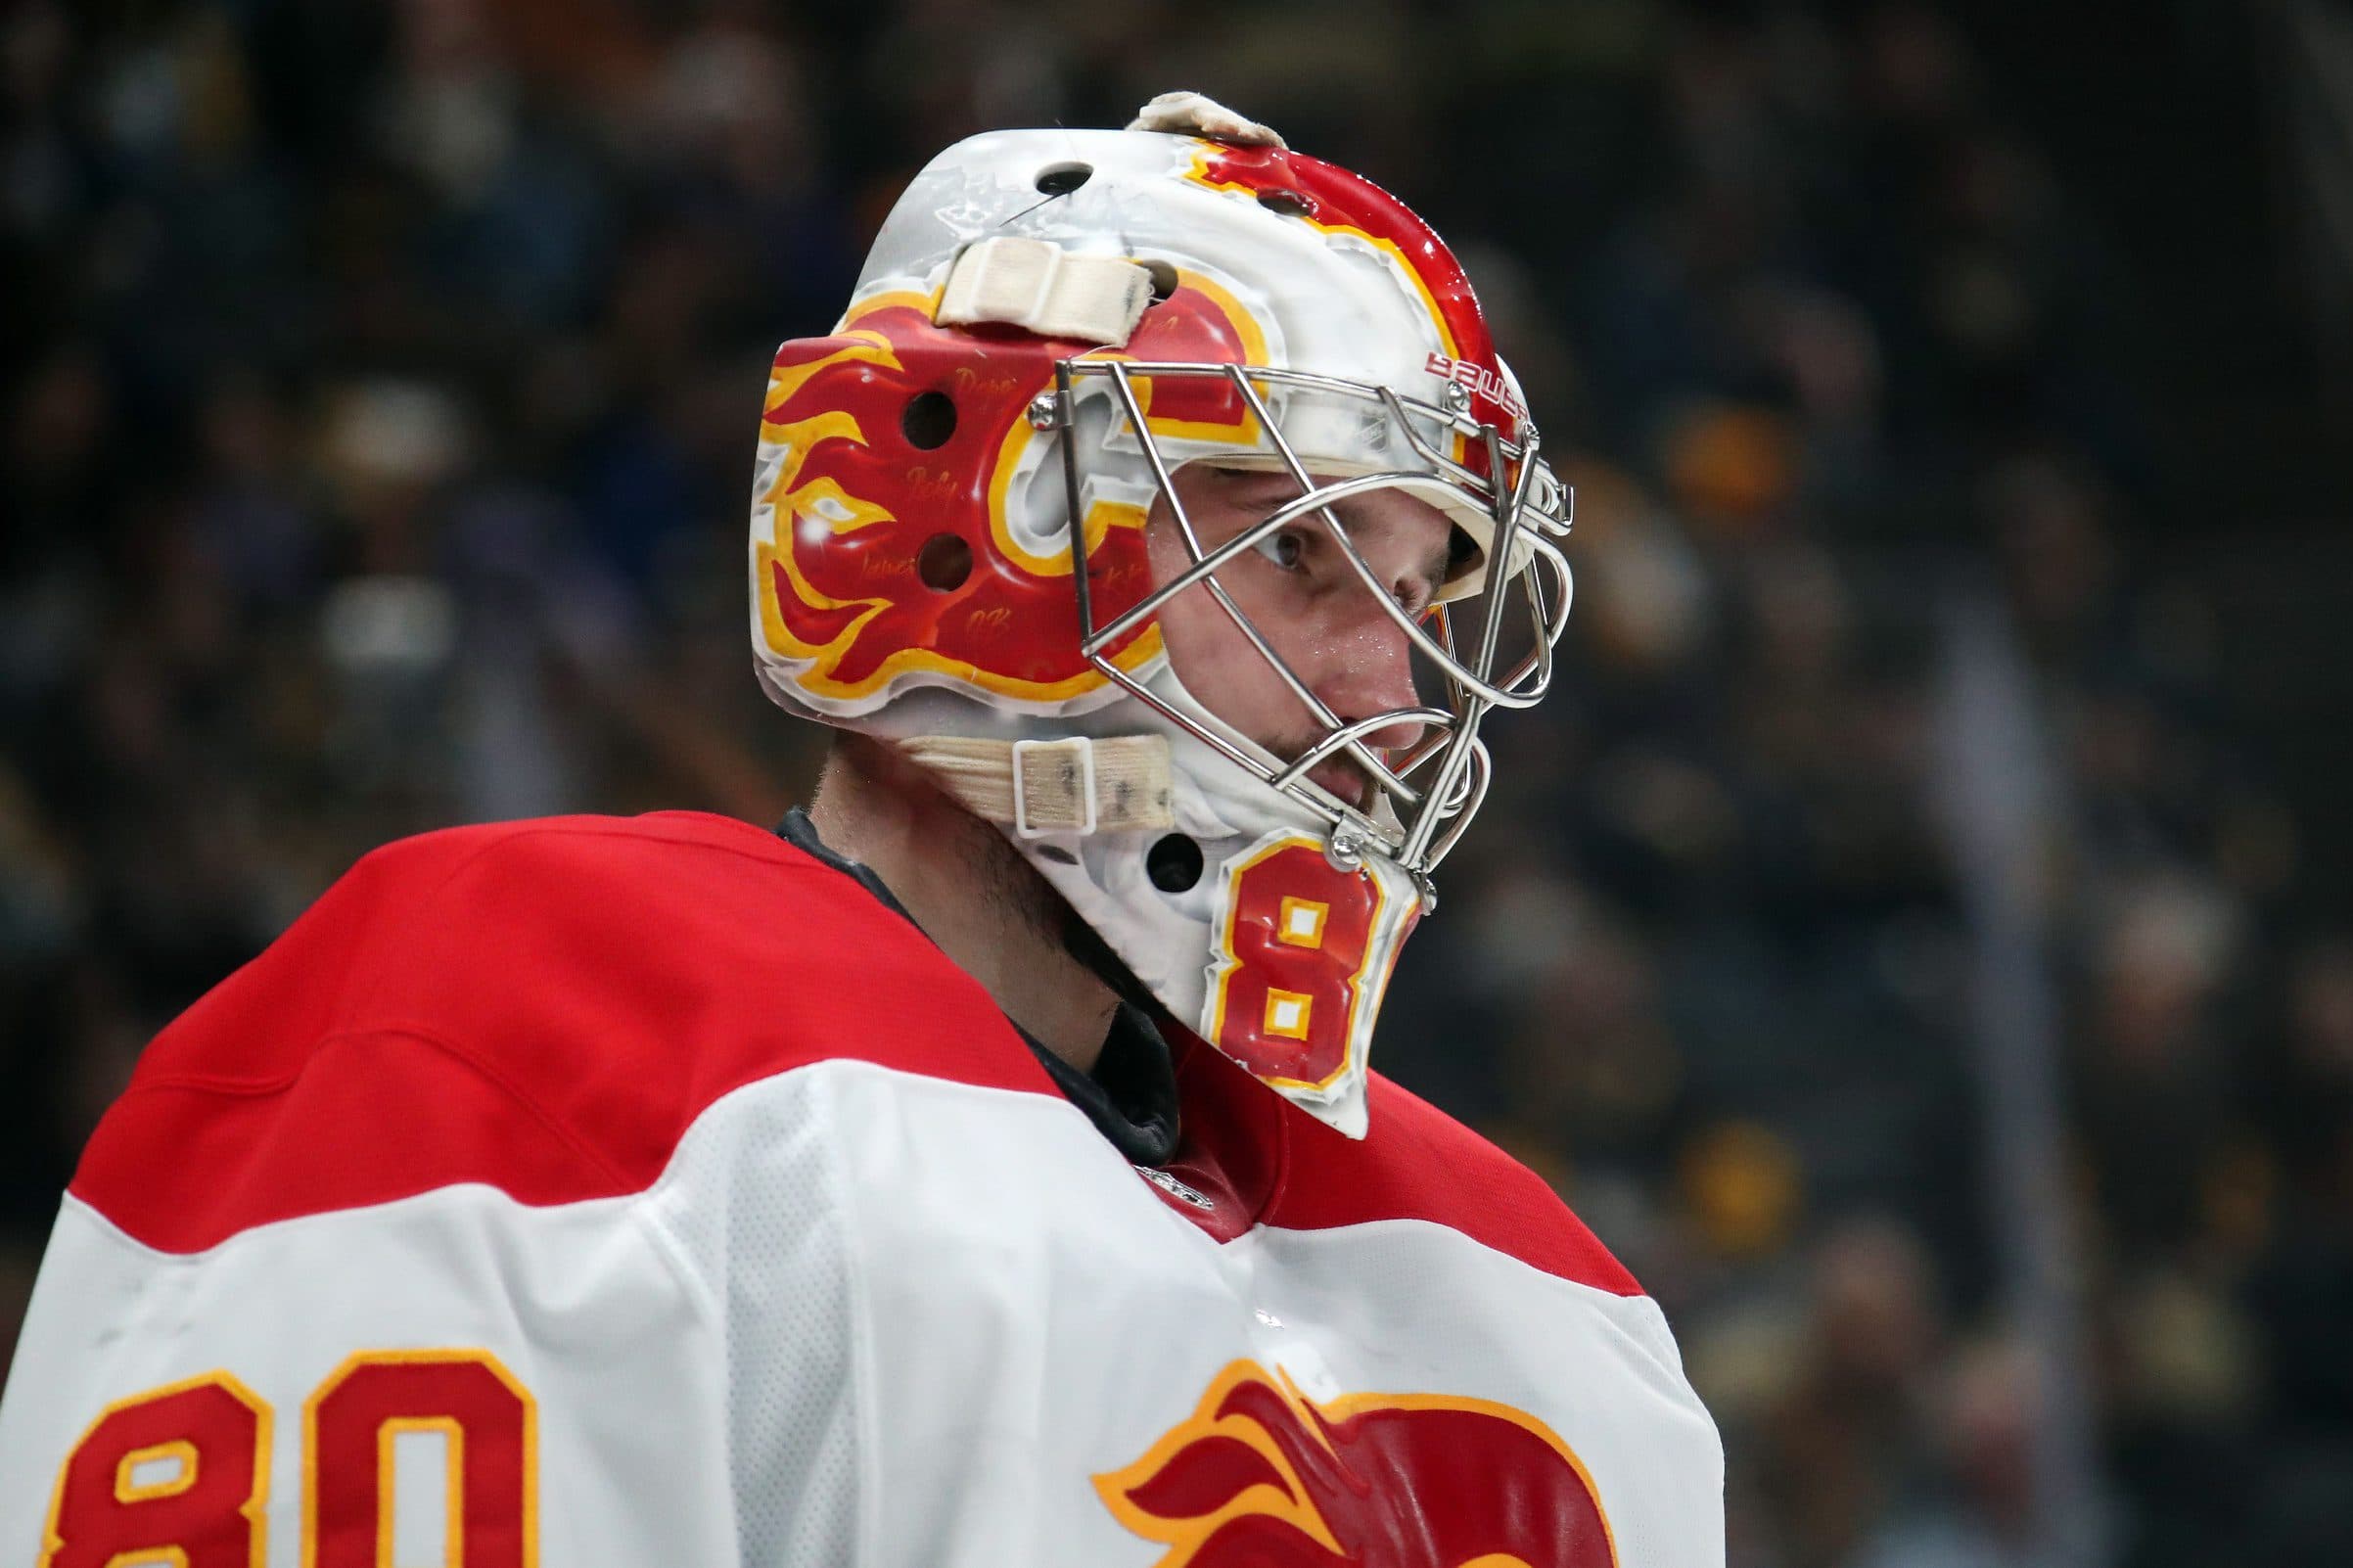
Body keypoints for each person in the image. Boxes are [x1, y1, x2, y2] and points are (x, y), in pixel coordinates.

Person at [0, 94, 1722, 1565]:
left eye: (1422, 594)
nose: (1393, 693)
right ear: (967, 523)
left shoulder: (1530, 1302)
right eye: (1298, 552)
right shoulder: (541, 1042)